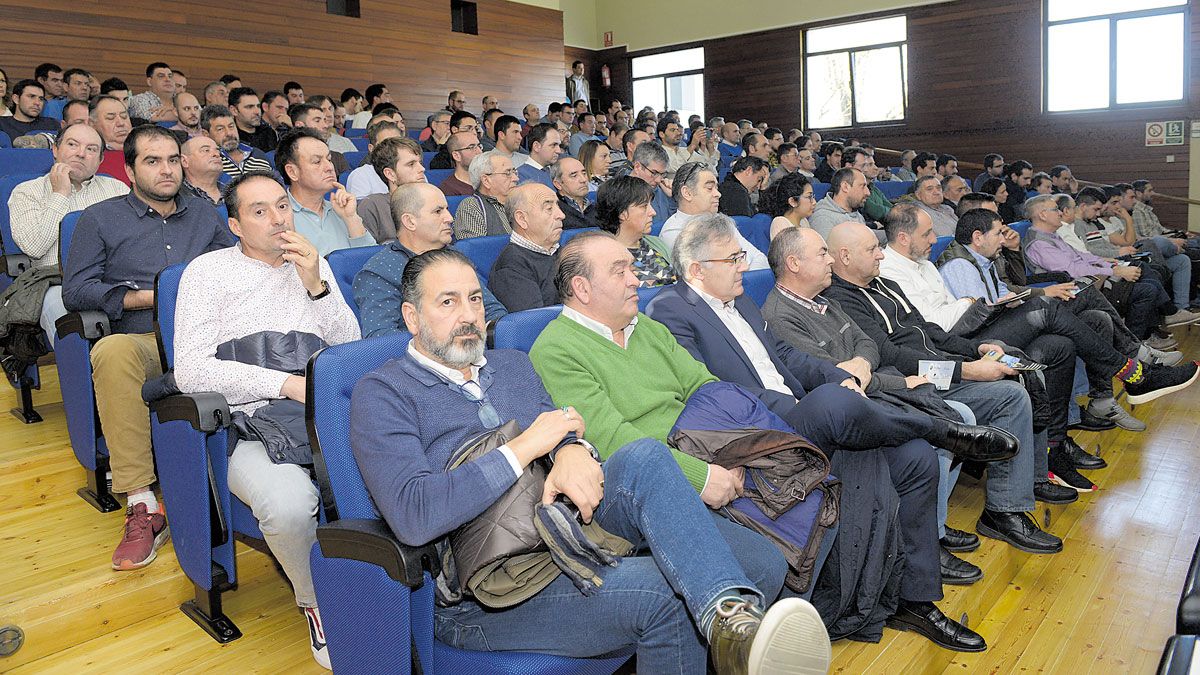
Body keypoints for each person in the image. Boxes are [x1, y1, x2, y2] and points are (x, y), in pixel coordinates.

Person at [352, 246, 829, 673]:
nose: (469, 315)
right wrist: (525, 449)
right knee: (667, 598)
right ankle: (732, 631)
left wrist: (574, 450)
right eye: (448, 301)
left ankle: (728, 618)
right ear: (411, 318)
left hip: (568, 530)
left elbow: (565, 435)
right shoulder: (383, 393)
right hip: (491, 586)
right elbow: (415, 515)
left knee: (754, 554)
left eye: (475, 299)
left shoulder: (511, 366)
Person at [530, 230, 993, 653]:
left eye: (633, 267)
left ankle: (816, 620)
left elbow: (706, 387)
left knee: (833, 483)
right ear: (582, 289)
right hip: (661, 476)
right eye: (621, 271)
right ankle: (936, 428)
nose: (636, 279)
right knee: (824, 448)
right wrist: (703, 473)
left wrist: (751, 446)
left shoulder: (645, 329)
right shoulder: (557, 347)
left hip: (724, 441)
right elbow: (616, 440)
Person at [174, 171, 359, 669]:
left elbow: (349, 349)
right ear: (235, 224)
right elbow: (191, 370)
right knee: (290, 504)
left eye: (282, 205)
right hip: (246, 421)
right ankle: (315, 602)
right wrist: (283, 384)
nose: (278, 219)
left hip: (322, 410)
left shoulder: (311, 265)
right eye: (260, 211)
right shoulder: (206, 273)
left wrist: (316, 287)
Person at [61, 125, 237, 571]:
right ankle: (143, 503)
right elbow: (77, 291)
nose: (166, 170)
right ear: (129, 168)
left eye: (173, 160)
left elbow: (236, 268)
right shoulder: (98, 219)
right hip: (144, 338)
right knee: (112, 352)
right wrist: (148, 296)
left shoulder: (203, 215)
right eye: (153, 161)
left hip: (208, 336)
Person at [8, 124, 129, 343]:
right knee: (66, 315)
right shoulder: (27, 191)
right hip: (57, 282)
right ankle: (81, 373)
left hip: (113, 278)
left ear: (101, 160)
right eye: (72, 144)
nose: (81, 153)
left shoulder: (118, 189)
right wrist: (60, 194)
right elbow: (34, 247)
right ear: (55, 150)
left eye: (91, 149)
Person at [354, 183, 506, 338]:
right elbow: (382, 339)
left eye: (446, 209)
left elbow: (493, 311)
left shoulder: (454, 257)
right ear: (410, 222)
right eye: (438, 211)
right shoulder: (380, 273)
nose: (449, 218)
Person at [276, 128, 375, 256]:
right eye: (317, 162)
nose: (329, 167)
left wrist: (351, 219)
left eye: (329, 159)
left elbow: (371, 260)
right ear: (292, 172)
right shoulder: (278, 217)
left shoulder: (341, 210)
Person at [658, 162, 768, 271]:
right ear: (687, 193)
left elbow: (760, 258)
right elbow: (702, 276)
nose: (718, 194)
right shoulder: (673, 232)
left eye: (716, 188)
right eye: (710, 188)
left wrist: (741, 272)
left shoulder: (722, 222)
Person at [488, 184, 564, 311]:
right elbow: (535, 323)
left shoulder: (565, 251)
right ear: (522, 219)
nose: (561, 215)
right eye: (549, 208)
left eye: (558, 206)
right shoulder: (511, 267)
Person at [594, 176, 675, 287]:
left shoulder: (656, 243)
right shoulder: (602, 255)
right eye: (644, 206)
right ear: (622, 213)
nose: (653, 212)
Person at [355, 136, 427, 243]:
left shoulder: (430, 201)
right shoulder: (372, 206)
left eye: (420, 163)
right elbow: (364, 253)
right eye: (411, 164)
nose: (422, 169)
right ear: (390, 174)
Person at [453, 151, 518, 239]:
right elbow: (477, 249)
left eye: (515, 172)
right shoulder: (471, 206)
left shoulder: (521, 202)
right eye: (507, 173)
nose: (516, 178)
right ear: (486, 181)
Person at [201, 104, 274, 180]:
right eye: (220, 129)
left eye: (231, 126)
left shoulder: (257, 154)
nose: (229, 133)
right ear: (206, 134)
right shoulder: (208, 162)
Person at [290, 103, 351, 176]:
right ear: (299, 125)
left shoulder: (337, 157)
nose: (325, 125)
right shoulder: (289, 157)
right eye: (317, 121)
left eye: (325, 120)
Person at [809, 168, 870, 240]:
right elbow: (828, 250)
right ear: (845, 187)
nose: (868, 193)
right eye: (862, 186)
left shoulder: (857, 214)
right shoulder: (823, 218)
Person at [345, 121, 403, 197]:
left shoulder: (414, 170)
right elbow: (363, 208)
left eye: (397, 142)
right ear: (371, 149)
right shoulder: (360, 175)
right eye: (385, 144)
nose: (393, 148)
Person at [90, 95, 134, 185]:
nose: (121, 123)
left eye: (124, 116)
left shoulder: (147, 148)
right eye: (110, 118)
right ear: (92, 124)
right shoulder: (90, 158)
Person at [843, 147, 893, 224]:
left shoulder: (872, 187)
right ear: (849, 167)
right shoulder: (842, 190)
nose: (866, 170)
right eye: (863, 166)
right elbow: (876, 212)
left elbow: (889, 206)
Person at [761, 172, 816, 241]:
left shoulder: (803, 221)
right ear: (792, 201)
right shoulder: (780, 223)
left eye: (813, 197)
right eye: (809, 197)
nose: (814, 202)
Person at [180, 135, 225, 206]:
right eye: (206, 150)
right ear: (184, 161)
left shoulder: (233, 191)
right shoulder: (177, 199)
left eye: (217, 150)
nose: (216, 154)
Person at [552, 157, 595, 229]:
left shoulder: (597, 206)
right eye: (574, 176)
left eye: (584, 173)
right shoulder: (554, 211)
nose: (583, 180)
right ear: (558, 184)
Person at [228, 87, 276, 152]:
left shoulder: (268, 132)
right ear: (234, 110)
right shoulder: (229, 137)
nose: (257, 112)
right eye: (249, 107)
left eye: (258, 106)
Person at [437, 131, 483, 197]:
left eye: (479, 146)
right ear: (456, 156)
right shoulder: (449, 190)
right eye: (471, 147)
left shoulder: (488, 181)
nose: (479, 151)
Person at [517, 124, 562, 189]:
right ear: (536, 146)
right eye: (553, 145)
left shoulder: (557, 171)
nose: (559, 151)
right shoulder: (521, 176)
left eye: (559, 145)